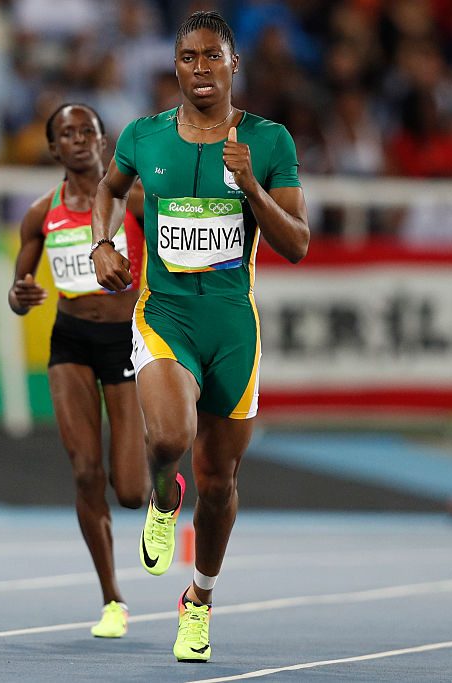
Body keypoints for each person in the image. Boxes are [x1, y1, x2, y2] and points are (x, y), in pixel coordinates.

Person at [91, 10, 309, 663]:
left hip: (232, 326)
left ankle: (199, 600)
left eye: (213, 56)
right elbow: (109, 188)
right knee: (166, 436)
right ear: (175, 66)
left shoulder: (269, 142)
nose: (201, 69)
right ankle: (163, 492)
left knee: (219, 482)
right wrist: (103, 241)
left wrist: (251, 188)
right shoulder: (143, 136)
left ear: (233, 64)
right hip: (166, 315)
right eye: (189, 57)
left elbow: (296, 242)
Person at [8, 103, 149, 638]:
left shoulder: (133, 200)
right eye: (66, 133)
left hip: (126, 342)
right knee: (86, 470)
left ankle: (164, 473)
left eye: (86, 130)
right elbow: (19, 294)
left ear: (102, 139)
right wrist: (20, 294)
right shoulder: (40, 213)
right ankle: (112, 598)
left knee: (131, 491)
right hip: (69, 339)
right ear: (54, 148)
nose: (78, 139)